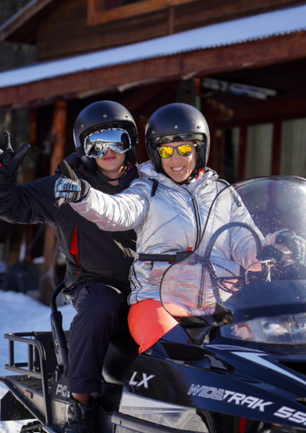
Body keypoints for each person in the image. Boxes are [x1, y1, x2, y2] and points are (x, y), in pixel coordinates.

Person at [55, 102, 306, 352]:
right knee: (175, 353)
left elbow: (245, 243)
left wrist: (275, 244)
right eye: (166, 152)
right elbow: (116, 212)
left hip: (220, 304)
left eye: (184, 149)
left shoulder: (221, 193)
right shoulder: (147, 190)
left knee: (261, 354)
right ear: (156, 154)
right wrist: (85, 196)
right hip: (159, 301)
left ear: (199, 150)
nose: (176, 159)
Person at [0, 100, 139, 433]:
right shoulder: (66, 186)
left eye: (117, 140)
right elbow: (6, 205)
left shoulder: (148, 183)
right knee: (100, 309)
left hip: (152, 283)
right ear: (84, 147)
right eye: (98, 144)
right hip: (94, 281)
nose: (109, 151)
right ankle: (81, 412)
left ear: (132, 142)